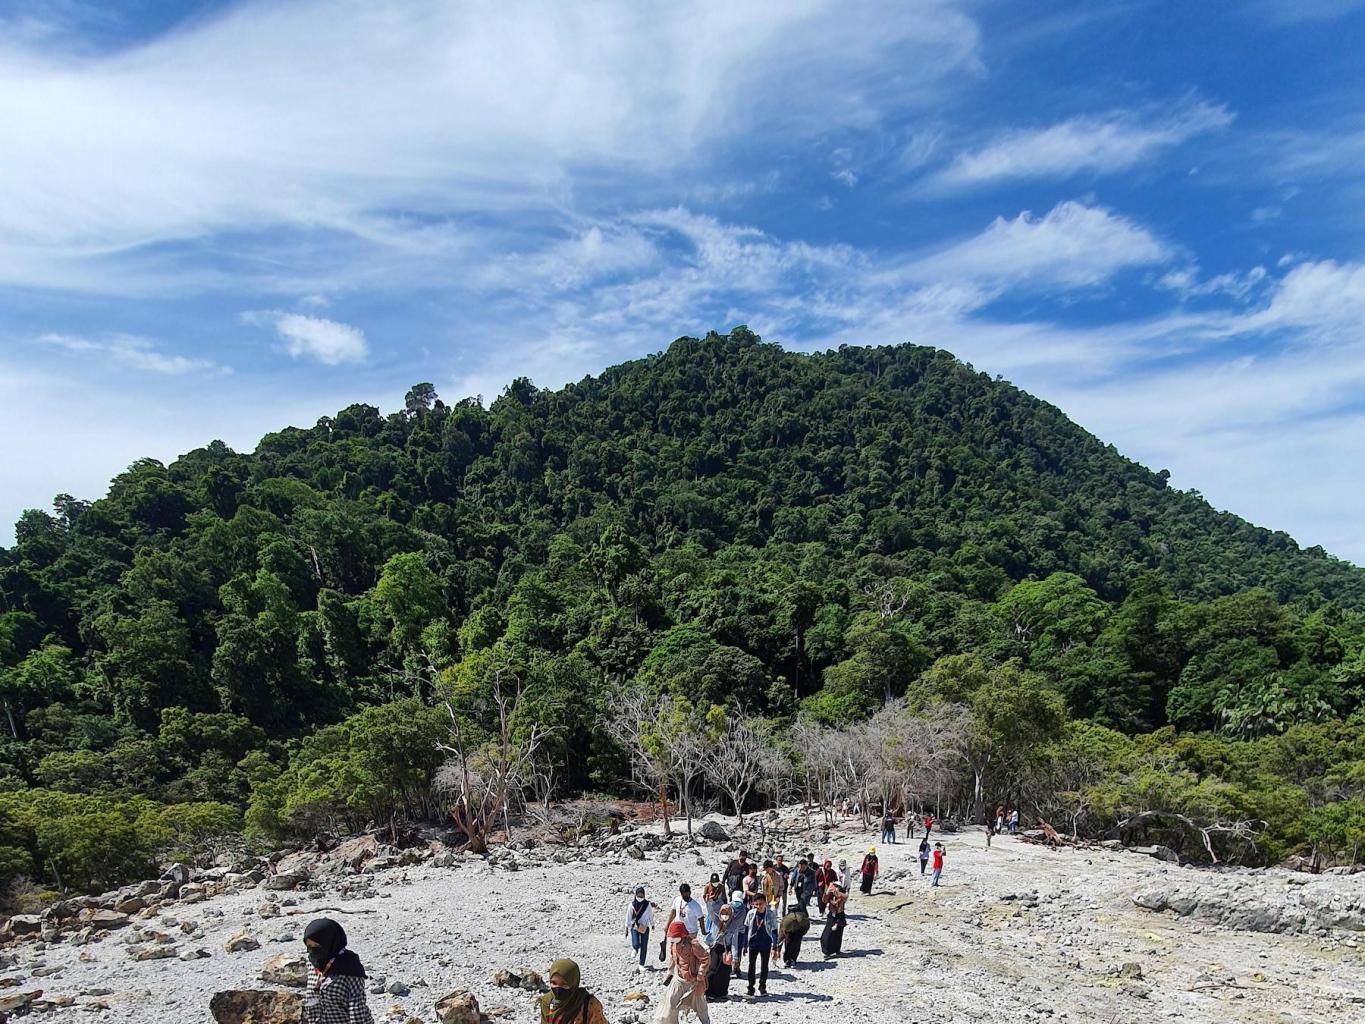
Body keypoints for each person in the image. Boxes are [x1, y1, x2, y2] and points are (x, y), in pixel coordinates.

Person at [302, 918, 374, 1024]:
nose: (313, 951)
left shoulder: (349, 965)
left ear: (329, 942)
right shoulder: (312, 963)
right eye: (309, 946)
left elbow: (356, 1006)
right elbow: (311, 1001)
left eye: (317, 946)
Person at [655, 923, 711, 1024]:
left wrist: (700, 974)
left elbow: (705, 958)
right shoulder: (673, 945)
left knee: (700, 1005)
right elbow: (673, 958)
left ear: (682, 935)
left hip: (694, 982)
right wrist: (670, 971)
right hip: (679, 980)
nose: (673, 938)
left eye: (675, 936)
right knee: (671, 1001)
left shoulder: (694, 945)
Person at [542, 959, 609, 1024]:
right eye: (553, 983)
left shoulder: (589, 1004)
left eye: (564, 984)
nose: (558, 988)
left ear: (574, 983)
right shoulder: (547, 1002)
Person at [742, 893, 778, 998]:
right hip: (753, 943)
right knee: (751, 965)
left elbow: (775, 931)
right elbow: (746, 929)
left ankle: (762, 987)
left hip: (765, 943)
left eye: (761, 904)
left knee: (764, 966)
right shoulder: (750, 914)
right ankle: (750, 987)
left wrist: (774, 947)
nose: (758, 906)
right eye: (756, 904)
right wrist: (745, 945)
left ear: (765, 903)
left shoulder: (771, 914)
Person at [705, 904, 737, 1001]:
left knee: (725, 972)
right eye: (723, 912)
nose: (725, 915)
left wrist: (735, 957)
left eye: (727, 913)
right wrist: (708, 901)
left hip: (726, 949)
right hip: (715, 947)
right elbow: (711, 911)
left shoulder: (733, 925)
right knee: (712, 969)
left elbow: (735, 941)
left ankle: (722, 993)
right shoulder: (716, 921)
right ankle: (709, 992)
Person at [626, 887, 655, 969]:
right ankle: (635, 949)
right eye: (639, 896)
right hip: (634, 926)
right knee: (635, 943)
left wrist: (652, 924)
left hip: (644, 927)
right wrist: (626, 928)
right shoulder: (631, 905)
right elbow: (628, 917)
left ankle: (641, 964)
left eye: (642, 896)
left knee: (644, 946)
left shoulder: (647, 904)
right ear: (635, 895)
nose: (640, 898)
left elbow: (650, 915)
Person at [819, 884, 847, 959]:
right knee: (827, 935)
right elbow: (824, 900)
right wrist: (827, 892)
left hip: (840, 915)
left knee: (838, 934)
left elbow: (845, 897)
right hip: (832, 915)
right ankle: (827, 952)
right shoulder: (831, 895)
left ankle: (837, 950)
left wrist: (837, 893)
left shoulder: (842, 895)